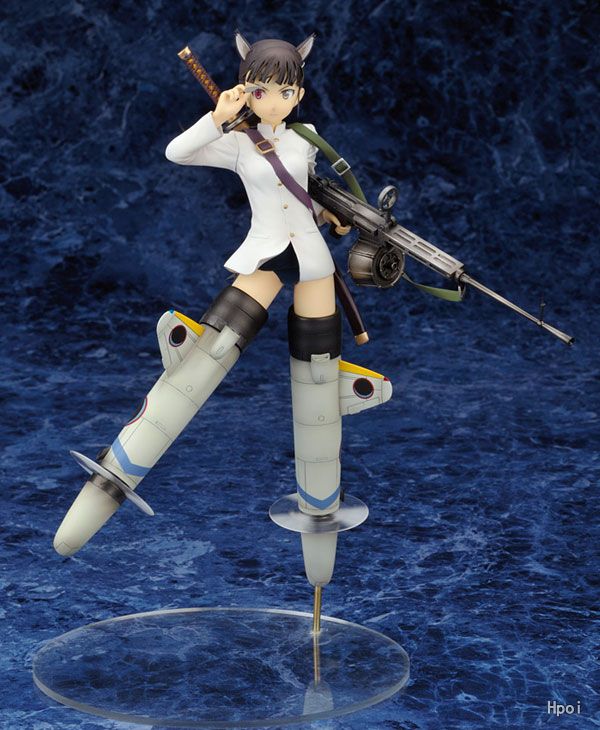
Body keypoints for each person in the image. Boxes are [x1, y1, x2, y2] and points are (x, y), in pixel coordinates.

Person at [53, 34, 392, 597]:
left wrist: (334, 219)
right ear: (245, 90)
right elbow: (176, 153)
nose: (273, 101)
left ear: (299, 93)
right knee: (200, 362)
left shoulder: (306, 143)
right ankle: (112, 481)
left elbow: (310, 198)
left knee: (319, 386)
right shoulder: (237, 140)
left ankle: (319, 516)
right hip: (263, 258)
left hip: (312, 263)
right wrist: (218, 118)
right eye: (261, 90)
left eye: (284, 91)